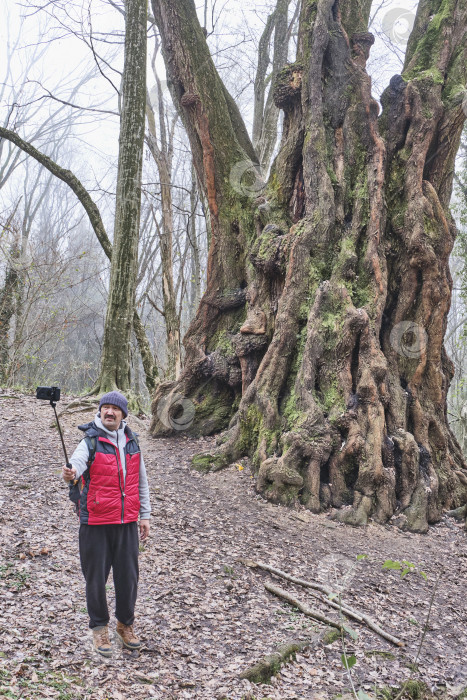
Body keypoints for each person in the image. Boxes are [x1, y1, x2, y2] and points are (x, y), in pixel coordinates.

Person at [62, 391, 151, 657]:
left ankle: (125, 625)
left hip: (126, 522)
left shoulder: (131, 441)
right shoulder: (89, 440)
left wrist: (144, 515)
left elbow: (141, 481)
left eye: (115, 409)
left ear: (123, 414)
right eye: (105, 408)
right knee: (95, 579)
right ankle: (99, 627)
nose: (109, 412)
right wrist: (71, 472)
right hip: (96, 522)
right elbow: (76, 463)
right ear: (99, 412)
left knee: (129, 577)